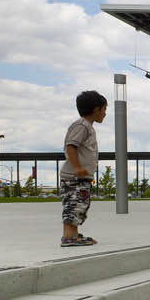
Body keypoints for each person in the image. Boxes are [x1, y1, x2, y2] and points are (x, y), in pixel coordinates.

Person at [59, 90, 107, 247]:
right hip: (74, 177)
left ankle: (73, 234)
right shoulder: (82, 126)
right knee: (73, 204)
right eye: (104, 109)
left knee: (80, 205)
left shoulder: (87, 127)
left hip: (81, 178)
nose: (105, 113)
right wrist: (77, 167)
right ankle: (68, 236)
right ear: (95, 109)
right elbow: (71, 146)